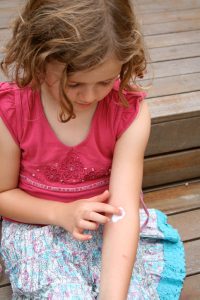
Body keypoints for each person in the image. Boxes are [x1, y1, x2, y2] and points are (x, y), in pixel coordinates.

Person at [0, 0, 185, 299]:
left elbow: (122, 210)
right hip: (38, 225)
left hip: (106, 228)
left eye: (104, 81)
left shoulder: (128, 113)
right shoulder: (12, 110)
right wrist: (61, 212)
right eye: (74, 83)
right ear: (39, 59)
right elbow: (2, 195)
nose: (90, 95)